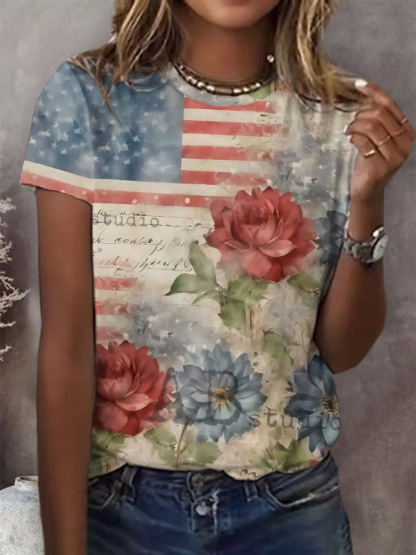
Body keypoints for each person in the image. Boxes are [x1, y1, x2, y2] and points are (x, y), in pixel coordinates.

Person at [19, 1, 415, 554]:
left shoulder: (342, 118)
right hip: (120, 508)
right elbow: (66, 351)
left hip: (290, 510)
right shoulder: (89, 97)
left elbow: (342, 350)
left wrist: (368, 199)